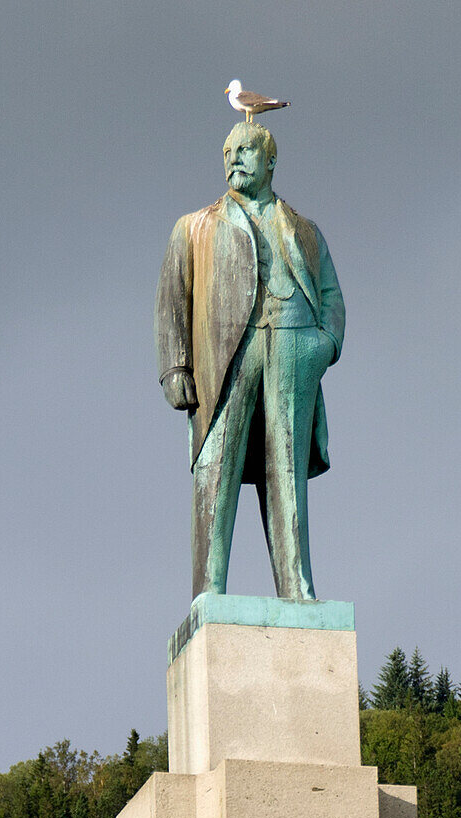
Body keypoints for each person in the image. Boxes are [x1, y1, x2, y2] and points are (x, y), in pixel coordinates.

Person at [155, 121, 345, 600]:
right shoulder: (195, 227)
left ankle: (296, 587)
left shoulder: (303, 229)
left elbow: (332, 299)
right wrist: (176, 367)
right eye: (227, 152)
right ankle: (209, 589)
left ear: (270, 161)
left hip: (291, 350)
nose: (233, 159)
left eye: (244, 150)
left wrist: (323, 345)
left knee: (287, 471)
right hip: (225, 357)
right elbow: (173, 299)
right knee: (216, 469)